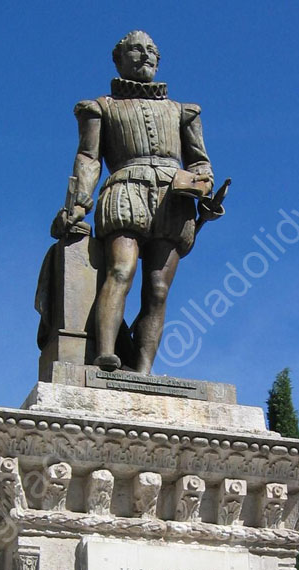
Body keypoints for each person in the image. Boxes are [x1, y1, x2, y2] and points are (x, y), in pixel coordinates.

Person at [52, 30, 217, 374]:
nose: (145, 55)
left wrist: (205, 187)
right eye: (136, 50)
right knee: (120, 271)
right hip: (125, 191)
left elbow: (200, 162)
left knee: (157, 289)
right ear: (119, 59)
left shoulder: (183, 112)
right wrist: (79, 205)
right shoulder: (100, 108)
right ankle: (107, 353)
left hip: (174, 199)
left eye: (151, 50)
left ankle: (143, 370)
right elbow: (88, 157)